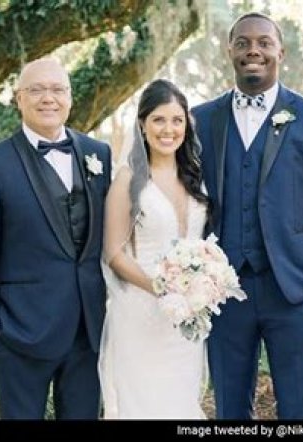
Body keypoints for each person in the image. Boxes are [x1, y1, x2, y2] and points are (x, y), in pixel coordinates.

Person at [191, 12, 303, 419]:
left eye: (264, 42)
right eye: (243, 43)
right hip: (224, 290)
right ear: (229, 50)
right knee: (229, 408)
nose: (253, 51)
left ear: (281, 51)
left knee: (296, 408)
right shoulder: (201, 119)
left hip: (295, 288)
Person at [0, 57, 111, 419]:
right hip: (20, 331)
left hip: (88, 331)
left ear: (70, 97)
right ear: (19, 99)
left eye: (57, 89)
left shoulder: (98, 154)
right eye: (37, 90)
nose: (48, 98)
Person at [98, 79, 208, 419]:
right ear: (142, 125)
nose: (168, 129)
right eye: (159, 120)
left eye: (177, 120)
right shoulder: (128, 180)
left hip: (185, 318)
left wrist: (200, 287)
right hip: (140, 314)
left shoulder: (195, 176)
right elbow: (113, 253)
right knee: (144, 405)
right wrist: (163, 289)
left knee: (181, 403)